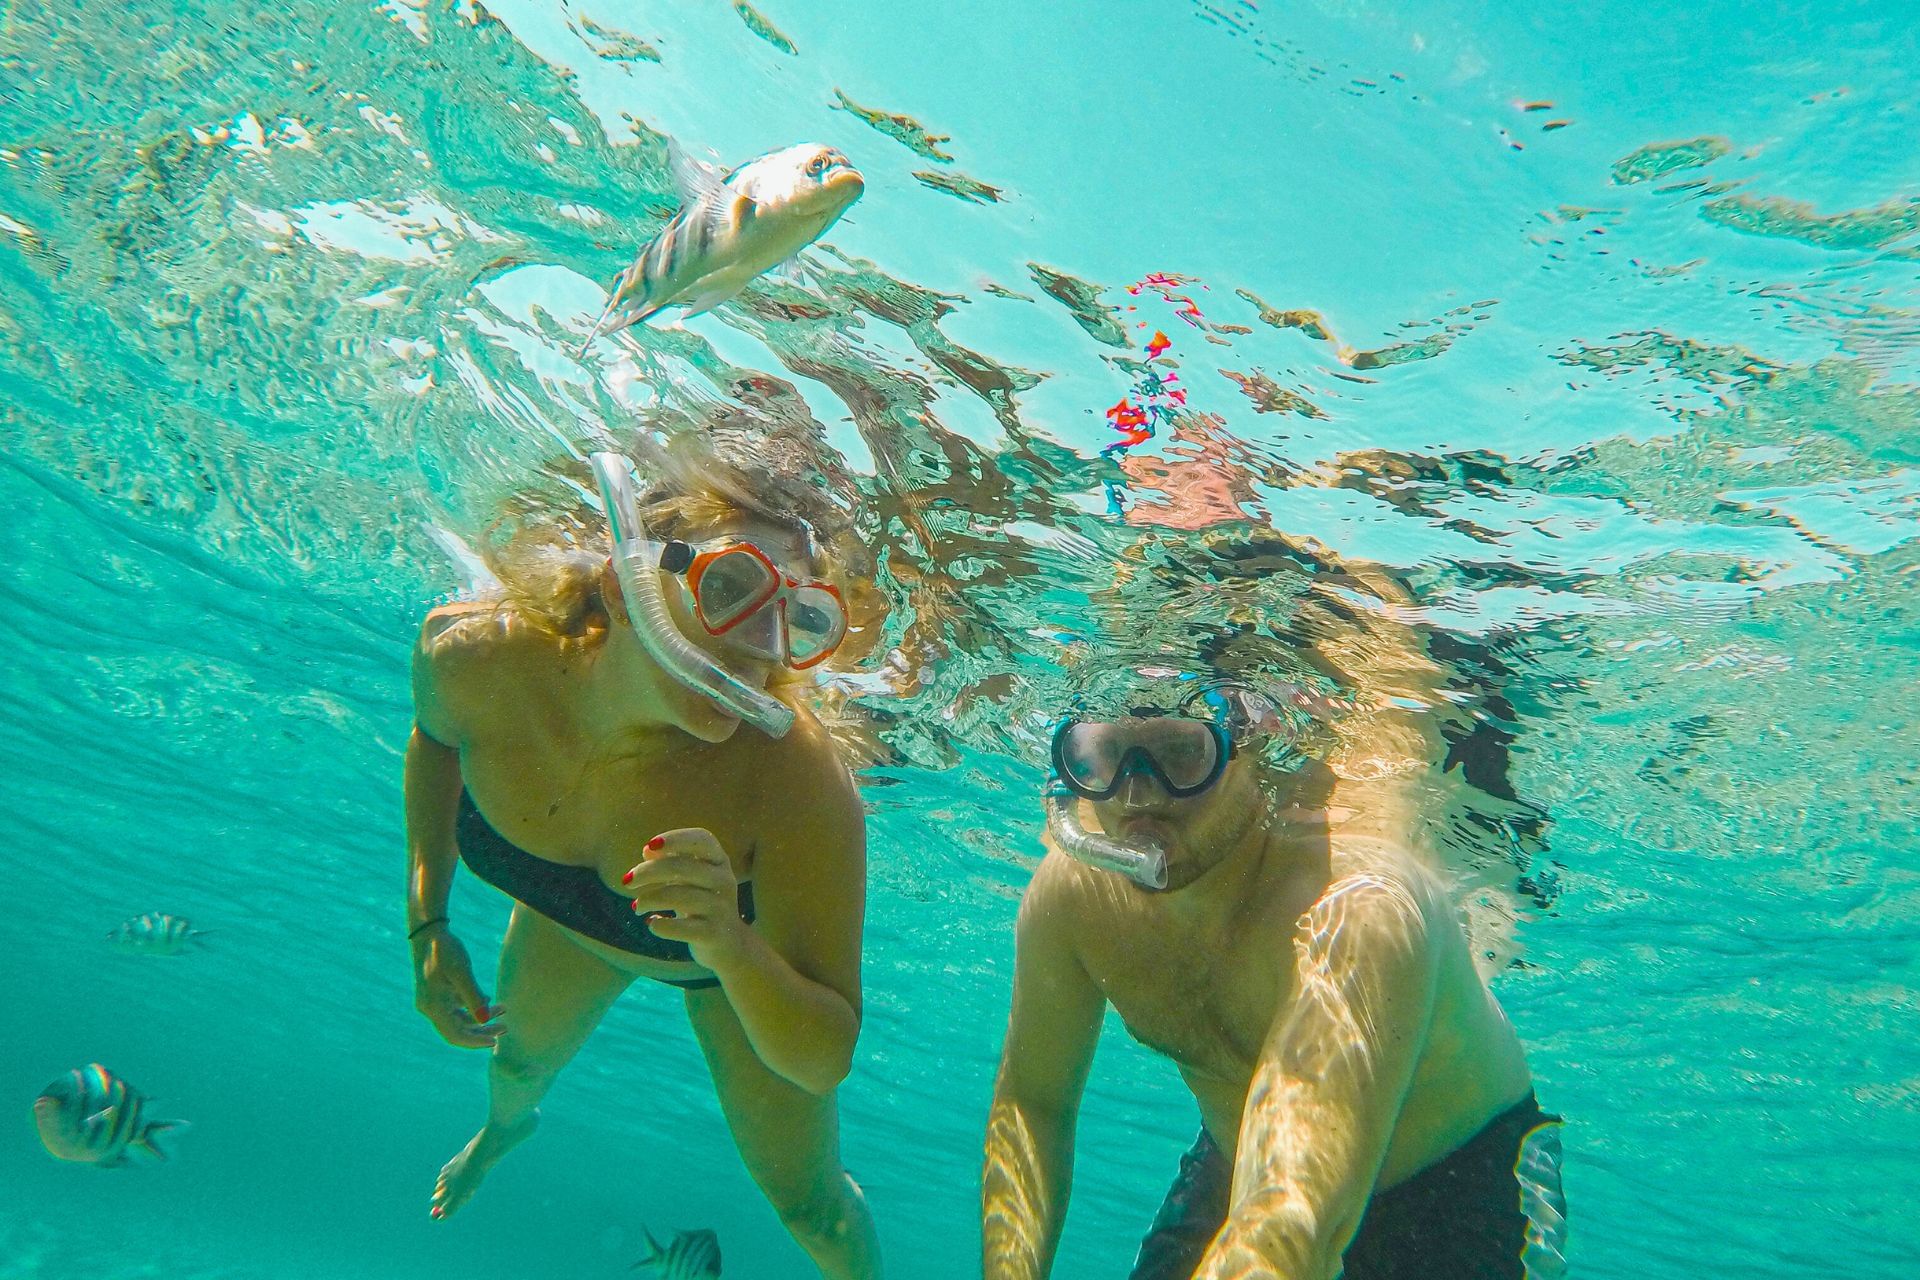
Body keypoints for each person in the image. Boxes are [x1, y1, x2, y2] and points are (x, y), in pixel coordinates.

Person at [405, 435, 882, 1278]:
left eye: (797, 616)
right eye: (730, 587)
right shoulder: (476, 654)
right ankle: (503, 1133)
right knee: (516, 1069)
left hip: (727, 974)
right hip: (564, 926)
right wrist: (428, 926)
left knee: (808, 1206)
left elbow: (824, 1055)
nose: (763, 646)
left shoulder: (798, 781)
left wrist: (729, 947)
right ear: (628, 587)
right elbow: (437, 740)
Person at [981, 663, 1567, 1280]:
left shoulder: (1356, 906)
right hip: (1240, 1164)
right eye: (1105, 757)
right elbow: (1033, 1106)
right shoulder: (1074, 897)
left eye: (1181, 754)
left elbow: (1290, 1221)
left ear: (1257, 749)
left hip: (1464, 1188)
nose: (1138, 798)